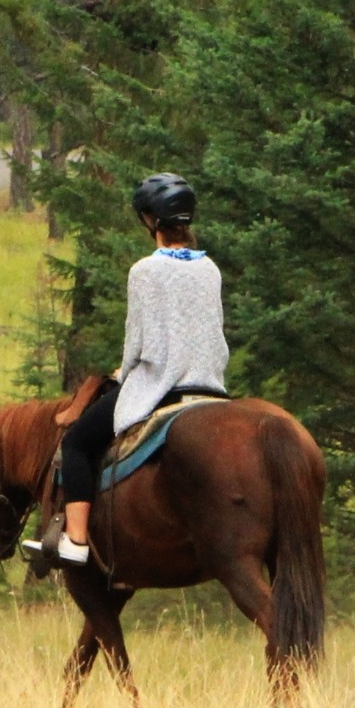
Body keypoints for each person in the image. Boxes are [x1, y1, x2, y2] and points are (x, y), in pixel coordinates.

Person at [39, 173, 231, 567]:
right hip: (209, 386)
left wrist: (121, 377)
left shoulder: (144, 270)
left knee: (76, 444)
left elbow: (136, 345)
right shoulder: (210, 269)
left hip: (158, 387)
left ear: (150, 219)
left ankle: (75, 540)